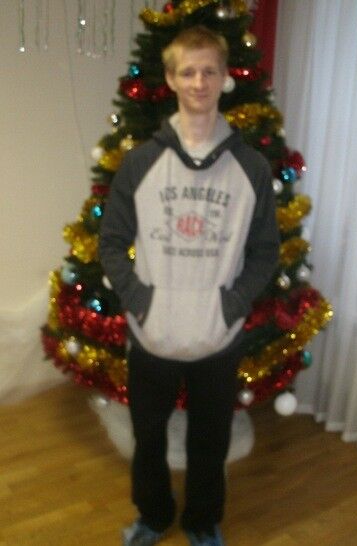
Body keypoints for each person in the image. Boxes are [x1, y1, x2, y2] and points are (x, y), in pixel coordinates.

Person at [99, 25, 280, 546]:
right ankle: (153, 516)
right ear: (172, 79)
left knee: (210, 439)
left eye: (209, 71)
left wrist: (231, 305)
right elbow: (112, 240)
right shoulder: (141, 162)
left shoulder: (251, 167)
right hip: (152, 332)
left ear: (224, 78)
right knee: (148, 438)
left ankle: (202, 520)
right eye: (188, 72)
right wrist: (141, 300)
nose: (199, 82)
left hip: (217, 336)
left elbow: (265, 251)